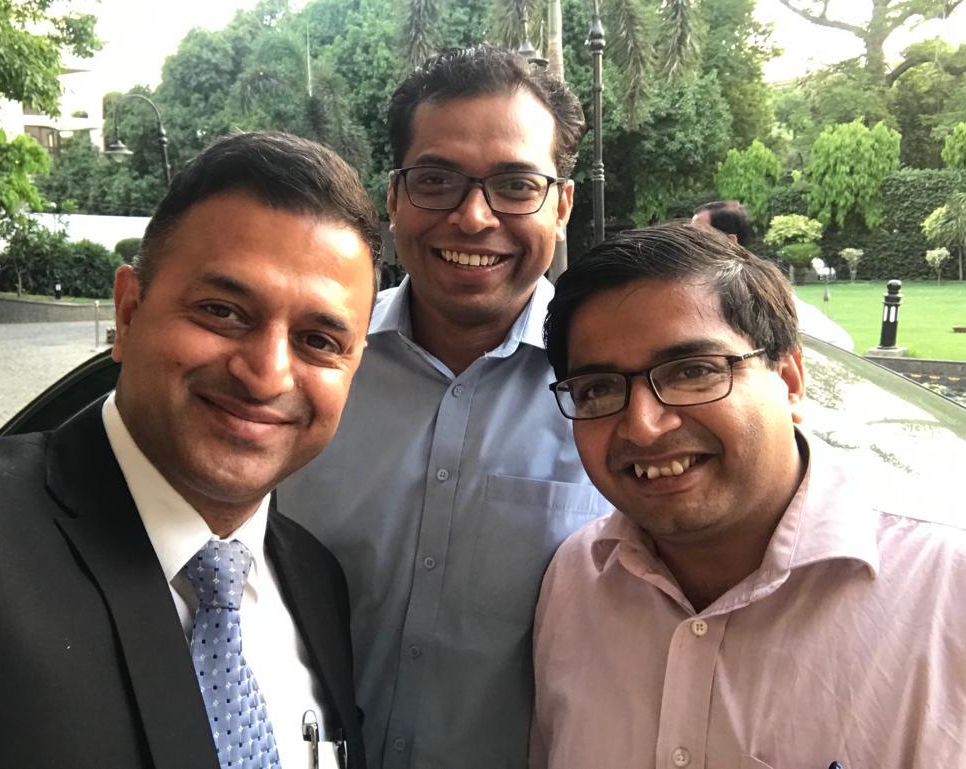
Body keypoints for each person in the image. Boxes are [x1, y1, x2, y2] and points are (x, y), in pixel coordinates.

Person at [0, 131, 380, 769]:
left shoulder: (317, 582)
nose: (266, 376)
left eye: (318, 341)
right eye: (223, 312)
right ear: (127, 313)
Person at [277, 46, 608, 769]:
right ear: (394, 198)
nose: (473, 216)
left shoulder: (617, 402)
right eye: (436, 180)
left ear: (562, 206)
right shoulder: (298, 372)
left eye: (516, 185)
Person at [530, 222, 966, 768]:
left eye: (692, 371)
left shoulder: (946, 591)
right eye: (598, 388)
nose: (642, 426)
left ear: (789, 380)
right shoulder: (575, 580)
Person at [692, 200, 855, 350]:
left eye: (698, 235)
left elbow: (837, 341)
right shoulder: (703, 283)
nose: (688, 242)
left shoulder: (751, 285)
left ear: (730, 242)